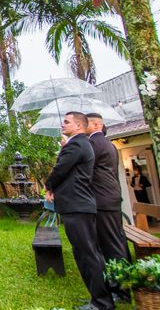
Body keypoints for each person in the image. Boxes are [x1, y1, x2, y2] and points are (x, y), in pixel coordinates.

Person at [45, 112, 113, 310]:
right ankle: (98, 298)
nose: (62, 124)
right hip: (80, 206)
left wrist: (49, 186)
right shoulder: (80, 145)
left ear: (79, 126)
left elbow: (60, 169)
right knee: (87, 253)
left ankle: (102, 302)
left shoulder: (76, 144)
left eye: (66, 122)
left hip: (77, 206)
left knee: (87, 255)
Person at [86, 113, 131, 303]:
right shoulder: (108, 144)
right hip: (109, 198)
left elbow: (82, 167)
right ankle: (125, 282)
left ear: (97, 124)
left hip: (103, 200)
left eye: (86, 123)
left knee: (111, 244)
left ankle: (121, 289)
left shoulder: (95, 144)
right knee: (115, 241)